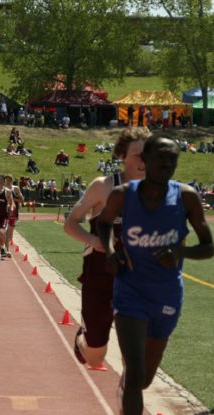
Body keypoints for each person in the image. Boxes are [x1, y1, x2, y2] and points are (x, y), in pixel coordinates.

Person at [97, 133, 214, 415]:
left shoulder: (187, 198)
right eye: (161, 159)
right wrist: (110, 252)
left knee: (144, 378)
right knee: (134, 372)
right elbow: (102, 224)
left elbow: (208, 248)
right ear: (144, 160)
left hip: (166, 296)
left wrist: (180, 253)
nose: (167, 166)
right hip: (130, 291)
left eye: (173, 161)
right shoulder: (122, 196)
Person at [63, 128, 149, 370]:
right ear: (122, 155)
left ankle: (128, 402)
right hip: (100, 276)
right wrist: (92, 240)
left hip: (136, 280)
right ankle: (85, 338)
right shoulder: (103, 186)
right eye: (137, 155)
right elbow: (70, 223)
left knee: (133, 356)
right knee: (95, 358)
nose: (143, 161)